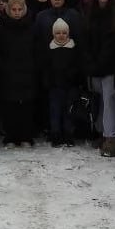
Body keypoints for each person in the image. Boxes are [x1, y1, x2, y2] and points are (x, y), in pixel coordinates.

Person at [0, 0, 39, 147]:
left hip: (27, 71)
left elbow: (36, 49)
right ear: (8, 10)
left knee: (26, 105)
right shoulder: (1, 28)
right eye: (13, 9)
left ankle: (26, 136)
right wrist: (2, 67)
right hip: (8, 73)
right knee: (10, 105)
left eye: (20, 9)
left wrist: (33, 66)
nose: (17, 12)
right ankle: (11, 136)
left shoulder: (31, 27)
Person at [85, 0, 115, 157]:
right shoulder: (90, 13)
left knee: (110, 101)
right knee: (99, 101)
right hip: (94, 65)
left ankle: (112, 136)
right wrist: (90, 61)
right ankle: (101, 131)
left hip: (111, 66)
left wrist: (103, 61)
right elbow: (87, 39)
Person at [43, 18, 82, 146]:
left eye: (64, 33)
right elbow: (46, 68)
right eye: (58, 33)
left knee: (69, 111)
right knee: (55, 111)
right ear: (53, 34)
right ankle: (55, 134)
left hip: (71, 86)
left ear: (68, 33)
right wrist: (48, 82)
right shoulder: (49, 48)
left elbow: (78, 66)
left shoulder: (73, 48)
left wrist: (74, 77)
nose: (61, 35)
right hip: (55, 86)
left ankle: (68, 134)